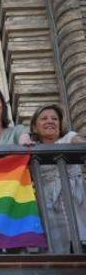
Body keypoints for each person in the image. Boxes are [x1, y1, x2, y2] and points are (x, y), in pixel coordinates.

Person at [28, 104, 86, 251]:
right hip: (48, 204)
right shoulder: (31, 149)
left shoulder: (68, 138)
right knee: (58, 247)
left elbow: (79, 142)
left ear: (60, 125)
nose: (50, 121)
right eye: (44, 118)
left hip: (76, 200)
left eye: (54, 119)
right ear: (34, 127)